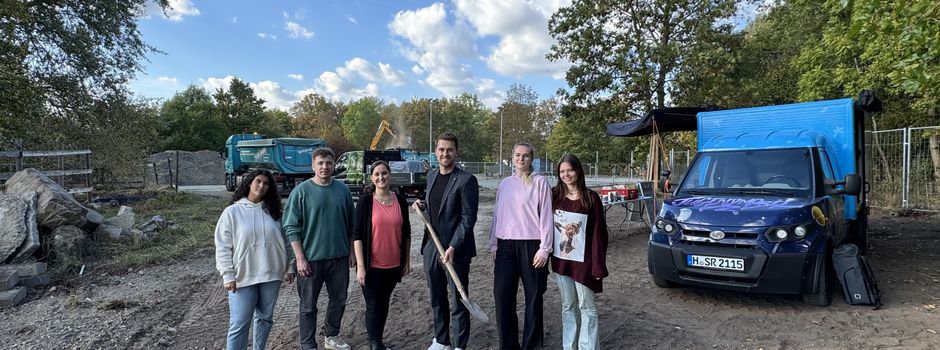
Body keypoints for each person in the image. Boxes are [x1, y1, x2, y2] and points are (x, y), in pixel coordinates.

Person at [283, 148, 356, 350]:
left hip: (339, 258)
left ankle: (331, 336)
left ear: (334, 165)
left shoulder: (343, 190)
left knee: (339, 300)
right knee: (308, 305)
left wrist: (351, 252)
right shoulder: (301, 192)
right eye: (321, 163)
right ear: (313, 165)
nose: (325, 167)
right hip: (310, 260)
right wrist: (299, 258)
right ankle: (308, 343)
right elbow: (291, 226)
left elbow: (352, 225)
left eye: (329, 163)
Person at [412, 132, 479, 350]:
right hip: (432, 245)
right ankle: (441, 341)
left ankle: (459, 345)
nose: (445, 153)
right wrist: (422, 207)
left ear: (456, 152)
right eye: (441, 149)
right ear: (435, 151)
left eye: (449, 149)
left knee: (458, 299)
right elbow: (436, 208)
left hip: (455, 249)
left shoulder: (466, 180)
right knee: (437, 296)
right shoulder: (431, 176)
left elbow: (468, 218)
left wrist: (453, 246)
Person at [214, 169, 293, 350]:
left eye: (266, 184)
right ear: (249, 183)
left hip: (272, 274)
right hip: (243, 276)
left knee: (265, 319)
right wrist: (227, 275)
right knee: (239, 323)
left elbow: (286, 242)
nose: (261, 186)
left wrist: (290, 266)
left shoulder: (275, 213)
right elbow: (222, 246)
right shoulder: (232, 212)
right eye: (258, 181)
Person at [489, 142, 553, 350]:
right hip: (505, 246)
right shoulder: (505, 184)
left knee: (533, 297)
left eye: (525, 156)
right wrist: (493, 245)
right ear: (512, 157)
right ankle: (508, 345)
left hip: (532, 246)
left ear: (531, 159)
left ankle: (532, 345)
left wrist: (545, 248)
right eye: (517, 155)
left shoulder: (540, 182)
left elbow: (546, 216)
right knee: (502, 295)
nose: (521, 159)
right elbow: (497, 215)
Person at [551, 154, 609, 350]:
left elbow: (599, 234)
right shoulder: (554, 196)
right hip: (561, 261)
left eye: (570, 170)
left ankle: (588, 347)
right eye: (562, 171)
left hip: (584, 262)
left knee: (587, 307)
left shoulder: (591, 198)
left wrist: (598, 264)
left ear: (578, 171)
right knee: (568, 306)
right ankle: (570, 346)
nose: (566, 174)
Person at [352, 160, 412, 350]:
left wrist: (407, 261)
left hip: (393, 265)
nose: (381, 177)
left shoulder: (400, 200)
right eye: (377, 174)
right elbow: (357, 235)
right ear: (371, 177)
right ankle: (374, 343)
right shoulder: (365, 202)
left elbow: (407, 232)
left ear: (390, 175)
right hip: (372, 266)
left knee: (384, 302)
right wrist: (361, 267)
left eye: (384, 173)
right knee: (373, 304)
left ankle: (378, 340)